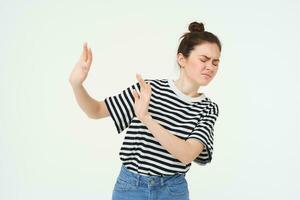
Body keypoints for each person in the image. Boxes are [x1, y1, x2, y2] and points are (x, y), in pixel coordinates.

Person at [69, 21, 221, 200]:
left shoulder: (208, 108)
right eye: (203, 59)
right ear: (182, 59)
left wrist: (146, 118)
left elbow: (187, 154)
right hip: (131, 187)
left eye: (215, 62)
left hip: (173, 190)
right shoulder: (148, 89)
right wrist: (76, 85)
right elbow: (95, 110)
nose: (210, 67)